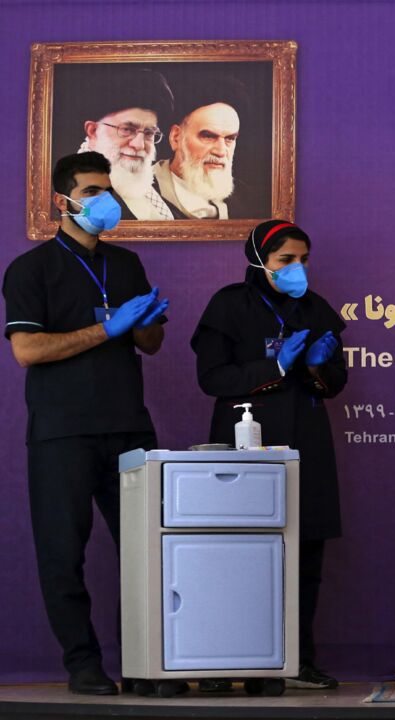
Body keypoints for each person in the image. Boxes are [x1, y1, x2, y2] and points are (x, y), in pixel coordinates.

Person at [3, 151, 169, 695]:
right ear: (64, 200)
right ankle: (83, 664)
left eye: (109, 190)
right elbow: (27, 350)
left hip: (129, 427)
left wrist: (141, 324)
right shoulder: (31, 270)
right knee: (63, 552)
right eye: (93, 191)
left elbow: (153, 343)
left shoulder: (125, 265)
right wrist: (106, 329)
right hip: (63, 432)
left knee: (148, 551)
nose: (106, 201)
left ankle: (148, 666)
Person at [190, 219, 346, 690]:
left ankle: (298, 661)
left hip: (307, 441)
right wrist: (277, 365)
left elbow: (336, 383)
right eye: (286, 261)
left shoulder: (316, 309)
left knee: (305, 554)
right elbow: (212, 378)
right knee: (242, 554)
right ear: (259, 260)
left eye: (303, 259)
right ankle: (232, 662)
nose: (298, 269)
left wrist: (318, 366)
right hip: (246, 446)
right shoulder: (228, 305)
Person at [75, 67, 175, 220]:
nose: (139, 145)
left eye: (149, 133)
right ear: (93, 131)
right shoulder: (69, 196)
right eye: (127, 129)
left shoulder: (156, 193)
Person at [155, 92, 240, 219]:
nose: (221, 151)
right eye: (208, 136)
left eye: (229, 139)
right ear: (176, 137)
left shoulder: (249, 199)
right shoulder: (141, 193)